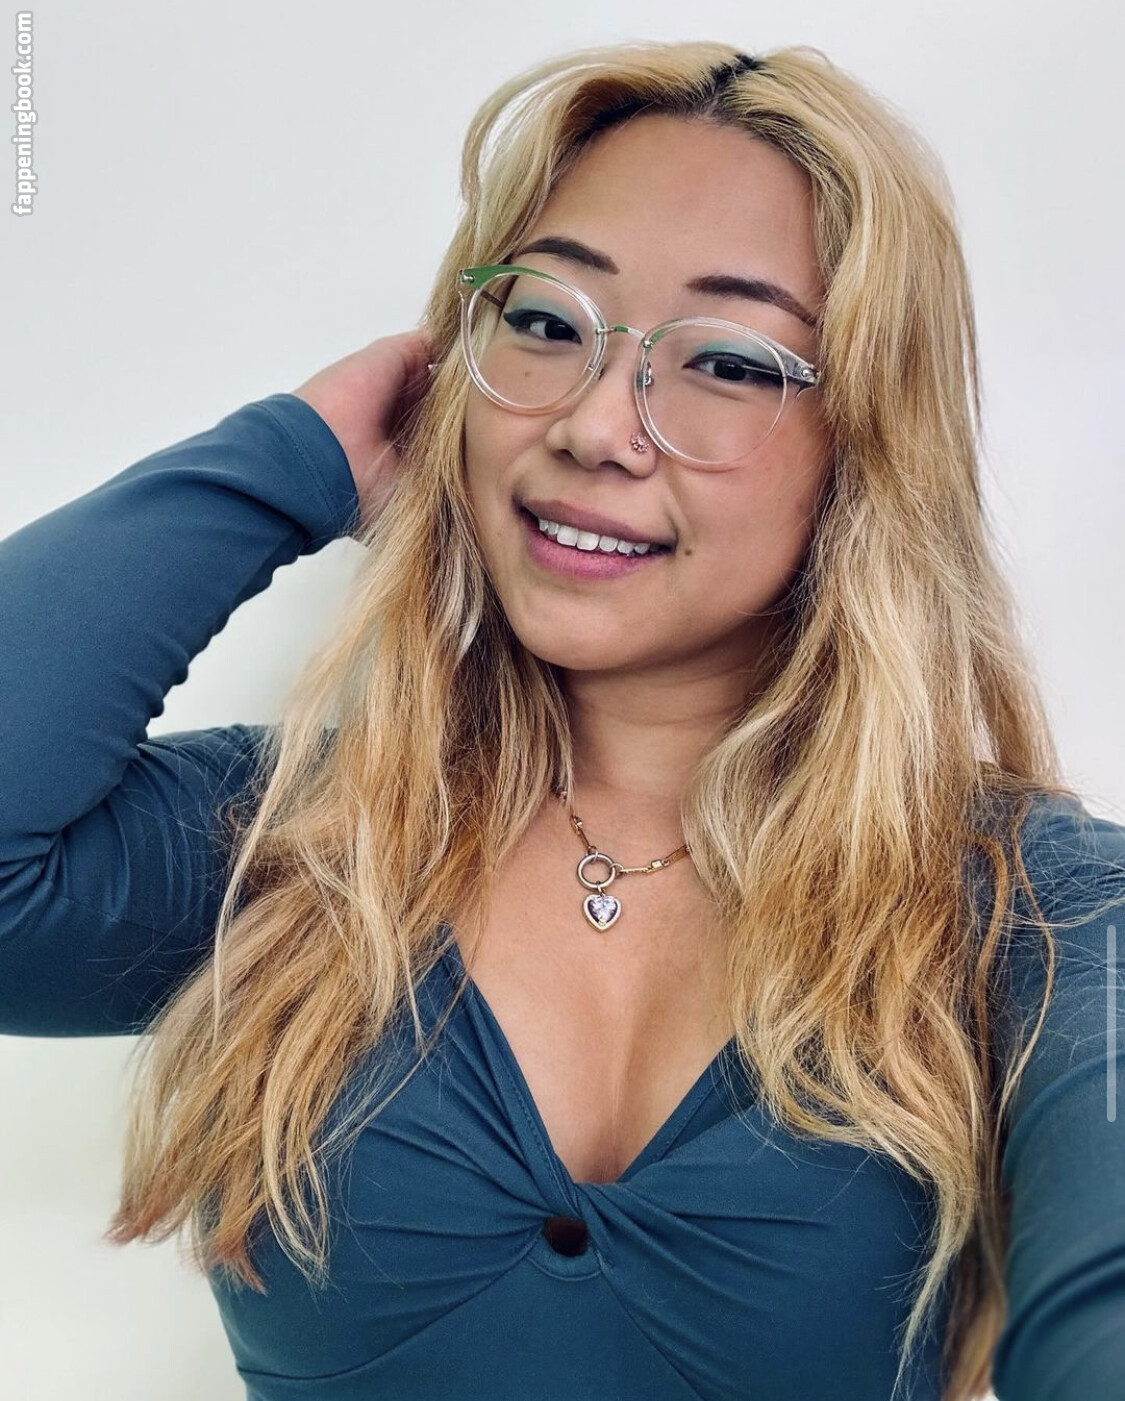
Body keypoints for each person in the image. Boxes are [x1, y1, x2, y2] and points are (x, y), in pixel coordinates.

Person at [1, 38, 1123, 1401]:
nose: (597, 424)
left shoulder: (1041, 916)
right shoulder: (297, 850)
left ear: (869, 440)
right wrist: (288, 458)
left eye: (727, 360)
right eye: (543, 322)